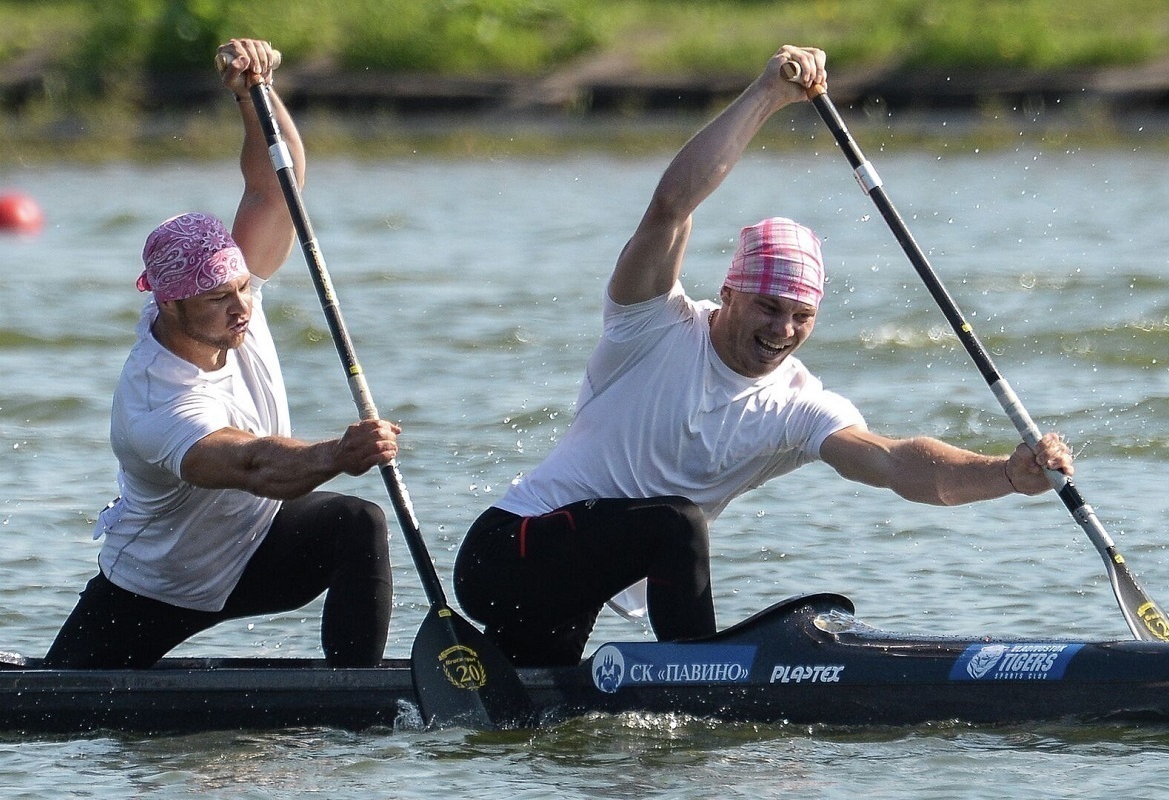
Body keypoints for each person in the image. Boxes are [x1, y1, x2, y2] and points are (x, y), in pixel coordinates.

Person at [452, 45, 1075, 668]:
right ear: (728, 293)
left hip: (573, 590)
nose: (782, 329)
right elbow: (671, 206)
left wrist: (1006, 475)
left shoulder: (797, 408)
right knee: (677, 524)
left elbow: (897, 465)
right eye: (767, 307)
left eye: (801, 316)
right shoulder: (651, 324)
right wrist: (767, 95)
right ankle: (697, 679)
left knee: (533, 714)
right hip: (505, 554)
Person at [45, 39, 399, 669]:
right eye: (218, 298)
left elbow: (275, 186)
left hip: (259, 548)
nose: (241, 307)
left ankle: (360, 702)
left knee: (358, 523)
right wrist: (340, 454)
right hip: (157, 585)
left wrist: (252, 93)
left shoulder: (238, 302)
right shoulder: (155, 402)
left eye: (242, 287)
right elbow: (254, 466)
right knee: (53, 706)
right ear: (170, 306)